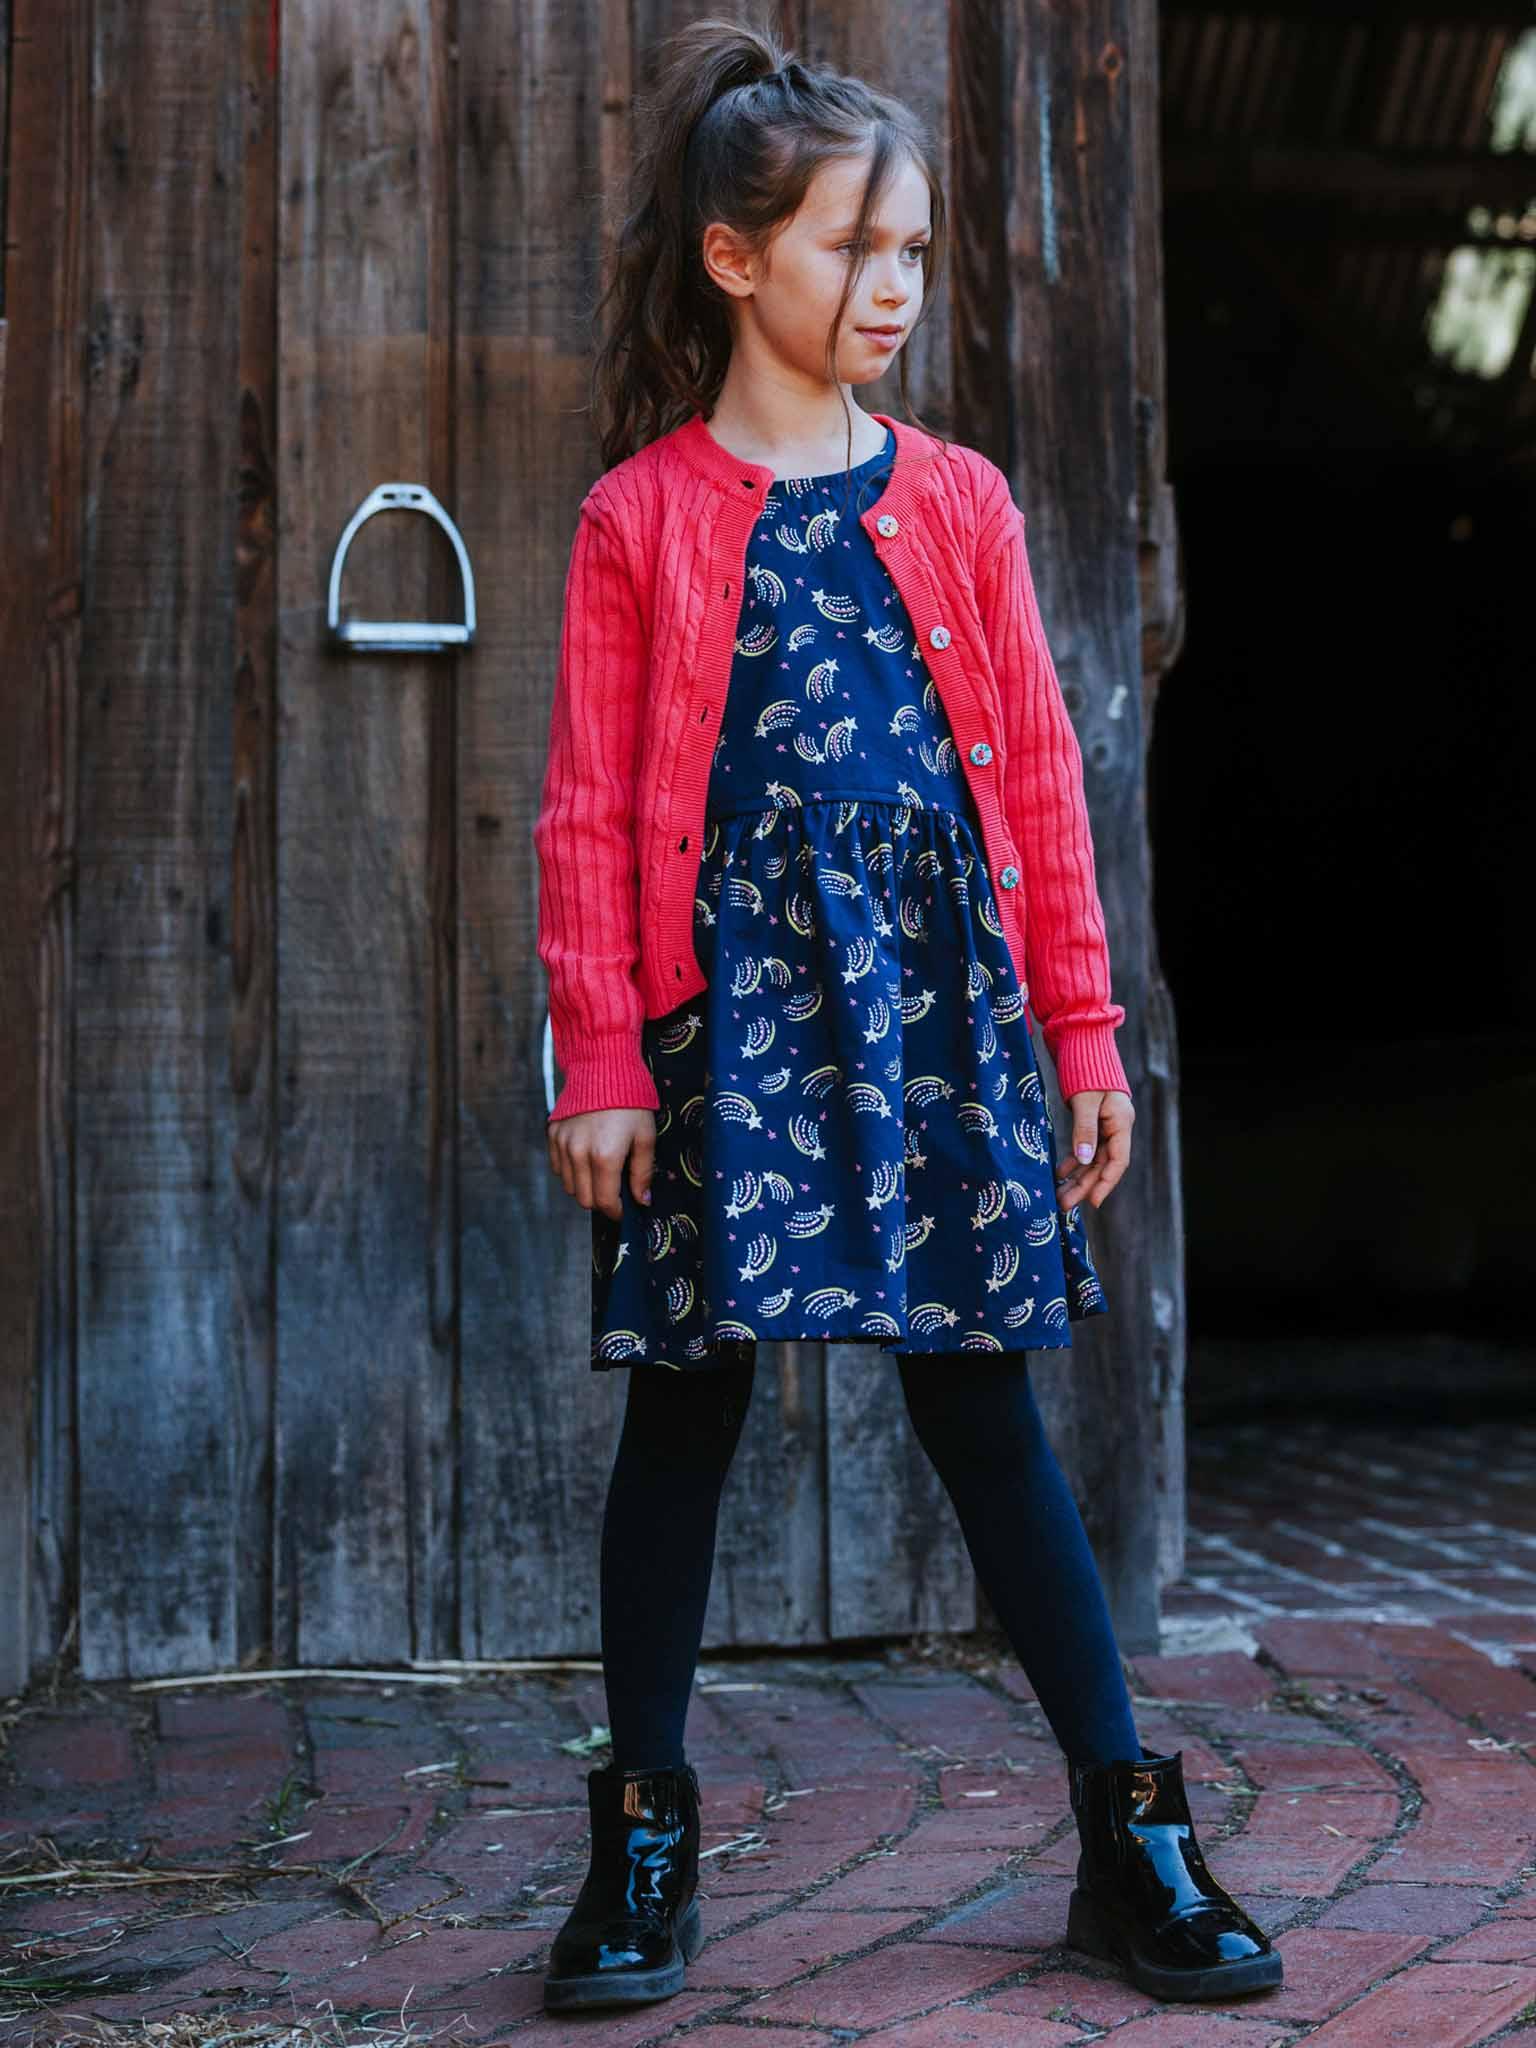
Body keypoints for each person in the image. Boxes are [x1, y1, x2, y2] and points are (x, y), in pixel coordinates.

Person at [532, 14, 1281, 2015]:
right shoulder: (640, 520)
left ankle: (1131, 1835)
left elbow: (1035, 771)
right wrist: (601, 1055)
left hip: (937, 1015)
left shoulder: (956, 502)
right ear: (734, 258)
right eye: (858, 248)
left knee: (983, 1404)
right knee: (683, 1413)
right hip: (725, 1026)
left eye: (917, 254)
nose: (893, 288)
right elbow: (592, 809)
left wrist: (1087, 1029)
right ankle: (646, 1846)